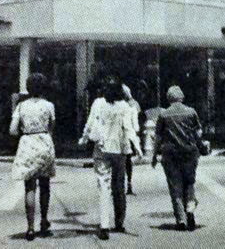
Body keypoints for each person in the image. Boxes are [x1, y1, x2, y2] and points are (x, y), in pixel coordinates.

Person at [80, 76, 142, 240]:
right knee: (119, 185)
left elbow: (90, 123)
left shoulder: (98, 103)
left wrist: (84, 138)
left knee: (104, 186)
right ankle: (119, 221)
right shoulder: (125, 107)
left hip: (102, 148)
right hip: (120, 149)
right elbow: (129, 129)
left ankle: (104, 225)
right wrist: (138, 147)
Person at [9, 73, 56, 241]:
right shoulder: (49, 105)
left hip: (27, 143)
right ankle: (43, 221)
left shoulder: (21, 106)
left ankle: (30, 228)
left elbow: (12, 130)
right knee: (45, 185)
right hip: (44, 141)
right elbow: (52, 127)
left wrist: (25, 131)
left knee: (29, 187)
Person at [152, 85, 203, 232]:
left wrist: (154, 155)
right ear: (181, 97)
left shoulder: (163, 115)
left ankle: (181, 219)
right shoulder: (191, 112)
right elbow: (198, 133)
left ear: (169, 98)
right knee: (189, 183)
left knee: (175, 187)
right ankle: (190, 210)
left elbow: (158, 138)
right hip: (189, 153)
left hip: (170, 154)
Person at [121, 84, 141, 195]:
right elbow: (136, 123)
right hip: (129, 136)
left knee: (123, 161)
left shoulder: (123, 105)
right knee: (127, 161)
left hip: (123, 136)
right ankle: (128, 183)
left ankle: (124, 183)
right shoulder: (134, 105)